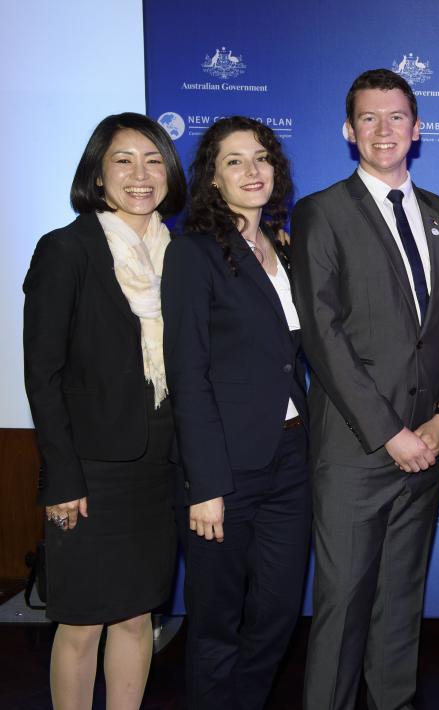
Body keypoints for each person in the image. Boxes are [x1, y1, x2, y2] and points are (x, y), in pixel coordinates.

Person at [290, 68, 439, 710]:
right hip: (355, 451)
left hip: (426, 450)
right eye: (368, 118)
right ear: (348, 130)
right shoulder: (321, 213)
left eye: (395, 116)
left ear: (417, 128)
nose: (382, 130)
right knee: (343, 611)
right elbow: (324, 336)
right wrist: (391, 433)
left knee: (401, 604)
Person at [23, 113, 186, 709]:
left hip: (160, 466)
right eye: (123, 160)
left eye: (152, 160)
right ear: (97, 173)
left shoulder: (182, 255)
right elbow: (43, 375)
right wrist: (61, 476)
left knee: (137, 616)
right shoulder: (66, 250)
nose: (140, 175)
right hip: (89, 472)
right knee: (83, 622)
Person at [161, 116, 308, 709]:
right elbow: (188, 375)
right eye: (234, 161)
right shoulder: (192, 255)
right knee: (218, 624)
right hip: (224, 469)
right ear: (212, 179)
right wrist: (205, 484)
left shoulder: (288, 249)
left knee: (275, 615)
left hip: (293, 460)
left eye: (262, 157)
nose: (253, 171)